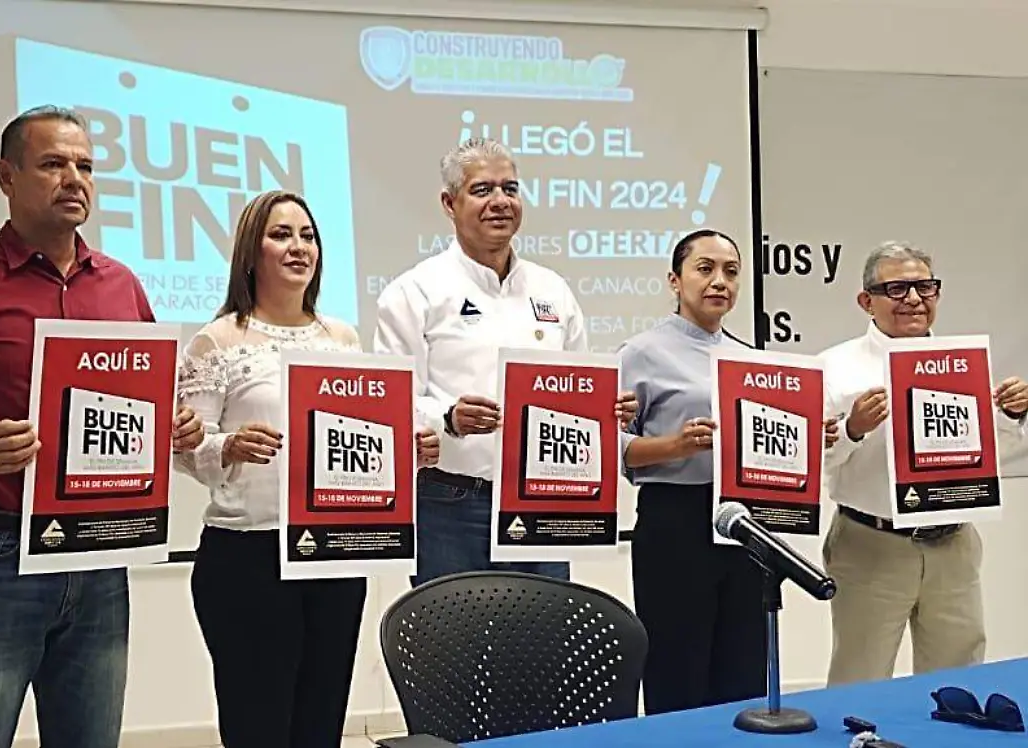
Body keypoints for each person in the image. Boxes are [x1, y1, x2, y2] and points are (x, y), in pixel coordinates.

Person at [0, 105, 205, 748]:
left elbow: (150, 397)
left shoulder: (122, 286)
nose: (74, 179)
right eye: (53, 164)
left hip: (98, 555)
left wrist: (173, 424)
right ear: (7, 177)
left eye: (85, 166)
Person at [174, 189, 441, 748]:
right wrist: (228, 446)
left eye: (308, 236)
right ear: (251, 252)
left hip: (334, 554)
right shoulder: (216, 339)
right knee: (259, 727)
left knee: (321, 725)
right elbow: (184, 447)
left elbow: (356, 434)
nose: (299, 247)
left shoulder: (341, 338)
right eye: (281, 235)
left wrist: (404, 450)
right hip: (248, 557)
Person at [373, 137, 637, 587]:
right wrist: (448, 418)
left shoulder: (553, 290)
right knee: (453, 632)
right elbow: (392, 403)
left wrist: (607, 410)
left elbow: (578, 389)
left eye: (510, 189)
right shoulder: (414, 291)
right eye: (482, 190)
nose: (500, 201)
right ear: (449, 203)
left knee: (541, 631)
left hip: (543, 502)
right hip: (449, 502)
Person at [617, 229, 839, 716]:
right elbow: (611, 447)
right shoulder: (642, 352)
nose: (720, 281)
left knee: (742, 669)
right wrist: (673, 445)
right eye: (705, 269)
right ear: (675, 280)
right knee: (677, 667)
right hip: (675, 519)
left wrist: (808, 438)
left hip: (743, 521)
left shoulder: (751, 358)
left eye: (731, 272)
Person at [819, 241, 1028, 686]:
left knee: (958, 684)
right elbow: (816, 462)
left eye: (925, 287)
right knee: (860, 681)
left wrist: (1013, 414)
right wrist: (852, 428)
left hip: (953, 544)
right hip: (871, 544)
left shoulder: (962, 364)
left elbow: (993, 451)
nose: (913, 299)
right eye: (896, 289)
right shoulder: (834, 367)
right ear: (866, 301)